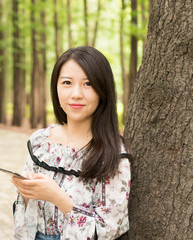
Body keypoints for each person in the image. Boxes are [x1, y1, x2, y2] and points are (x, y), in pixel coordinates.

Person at [11, 46, 132, 240]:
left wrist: (58, 197)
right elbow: (25, 217)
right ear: (56, 87)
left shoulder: (114, 154)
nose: (76, 94)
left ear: (103, 90)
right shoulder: (41, 142)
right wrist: (26, 192)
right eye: (67, 82)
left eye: (88, 84)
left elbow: (109, 230)